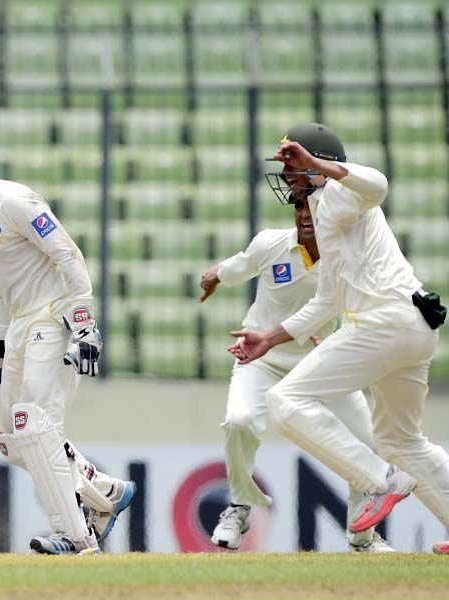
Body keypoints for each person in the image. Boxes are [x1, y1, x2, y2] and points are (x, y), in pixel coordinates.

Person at [228, 123, 449, 543]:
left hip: (384, 323)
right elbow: (327, 300)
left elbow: (379, 186)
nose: (288, 175)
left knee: (285, 401)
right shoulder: (323, 210)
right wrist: (269, 338)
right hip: (411, 326)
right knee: (400, 440)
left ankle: (378, 480)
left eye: (294, 165)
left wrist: (318, 167)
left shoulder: (340, 194)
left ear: (319, 163)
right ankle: (388, 474)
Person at [0, 130, 135, 555]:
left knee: (33, 426)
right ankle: (105, 491)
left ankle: (75, 537)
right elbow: (3, 289)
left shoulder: (15, 200)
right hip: (20, 327)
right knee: (16, 444)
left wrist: (84, 323)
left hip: (53, 319)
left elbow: (67, 254)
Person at [200, 197, 392, 552]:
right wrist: (215, 274)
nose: (305, 215)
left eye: (312, 208)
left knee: (366, 441)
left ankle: (362, 538)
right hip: (261, 357)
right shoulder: (271, 243)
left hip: (322, 364)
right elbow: (239, 266)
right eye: (298, 207)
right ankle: (239, 507)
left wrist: (342, 337)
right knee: (239, 420)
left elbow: (364, 307)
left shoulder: (346, 257)